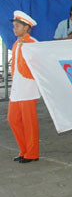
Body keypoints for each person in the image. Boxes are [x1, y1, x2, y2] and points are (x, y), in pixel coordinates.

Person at [8, 11, 40, 163]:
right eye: (14, 26)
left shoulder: (33, 43)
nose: (14, 28)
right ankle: (24, 150)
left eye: (17, 26)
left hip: (28, 88)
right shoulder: (16, 44)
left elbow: (41, 63)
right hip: (17, 88)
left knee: (29, 123)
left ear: (27, 27)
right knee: (13, 119)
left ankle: (32, 153)